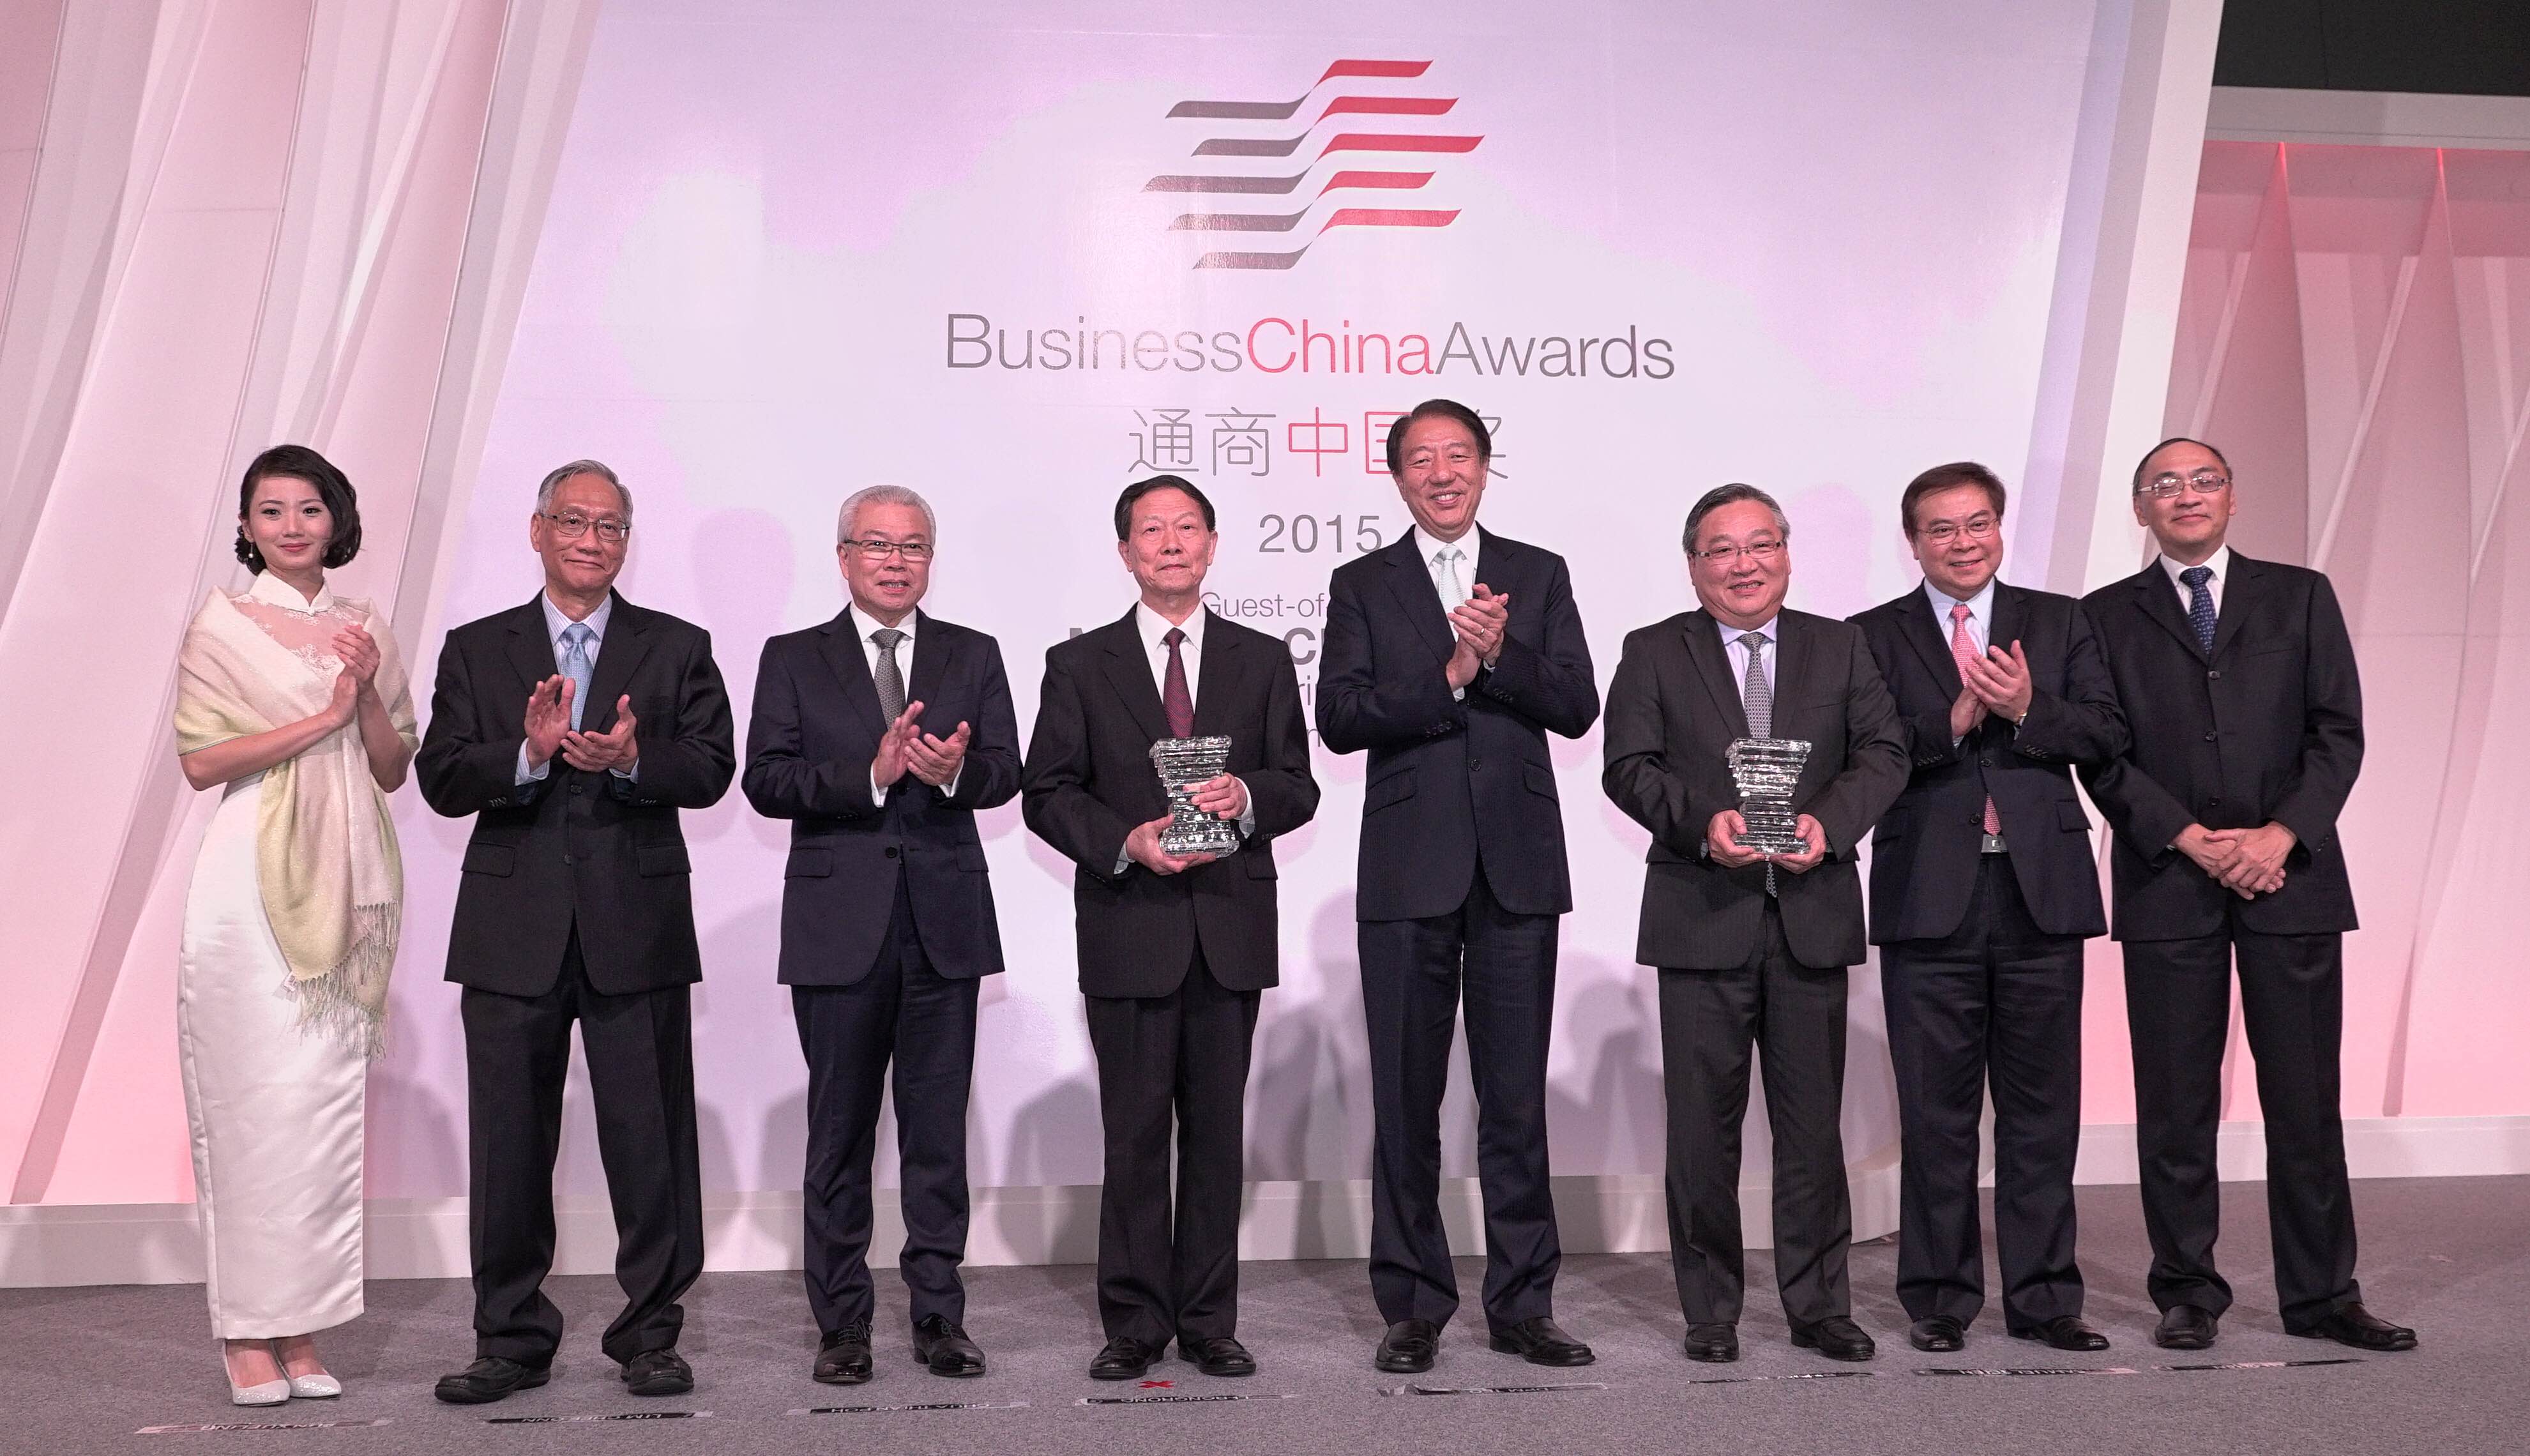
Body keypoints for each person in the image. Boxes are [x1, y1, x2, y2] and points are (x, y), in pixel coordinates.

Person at [2079, 438, 2414, 1354]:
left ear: (2231, 496)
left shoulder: (2299, 595)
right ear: (2139, 508)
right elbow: (2100, 754)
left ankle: (2323, 1295)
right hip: (2167, 880)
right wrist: (2189, 838)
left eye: (2204, 481)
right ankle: (2187, 1292)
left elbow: (2337, 732)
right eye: (2164, 485)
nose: (2185, 495)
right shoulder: (2101, 616)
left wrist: (2280, 835)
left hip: (2289, 879)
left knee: (2304, 1100)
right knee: (2174, 1103)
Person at [416, 459, 735, 1403]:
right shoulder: (478, 647)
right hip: (511, 929)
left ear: (626, 542)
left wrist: (634, 760)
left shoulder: (676, 645)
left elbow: (713, 768)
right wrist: (527, 752)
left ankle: (651, 1335)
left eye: (610, 527)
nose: (592, 540)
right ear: (537, 531)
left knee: (652, 1141)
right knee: (508, 1143)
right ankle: (510, 1338)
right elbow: (441, 778)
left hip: (636, 923)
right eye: (573, 521)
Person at [1318, 399, 1600, 1375]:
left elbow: (1576, 705)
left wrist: (1502, 657)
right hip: (1408, 867)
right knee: (1407, 1101)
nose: (1441, 473)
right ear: (1397, 476)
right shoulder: (1361, 582)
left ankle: (1523, 1305)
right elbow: (1340, 717)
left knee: (1514, 1100)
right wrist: (1448, 672)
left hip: (1517, 863)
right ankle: (1411, 1306)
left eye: (1458, 456)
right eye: (1421, 460)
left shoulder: (1537, 571)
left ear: (1485, 466)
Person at [1020, 474, 1318, 1381]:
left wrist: (1247, 798)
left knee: (1217, 1139)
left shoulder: (1261, 659)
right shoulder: (1079, 664)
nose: (1172, 542)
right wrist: (1126, 842)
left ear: (1213, 545)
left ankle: (1210, 1320)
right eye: (1152, 530)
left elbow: (1298, 784)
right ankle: (1135, 1322)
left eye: (1188, 527)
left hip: (1229, 928)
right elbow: (1046, 793)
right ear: (1126, 552)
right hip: (1129, 927)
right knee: (1136, 1135)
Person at [1600, 483, 1905, 1364]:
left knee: (1812, 1129)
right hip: (1701, 914)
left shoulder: (1840, 646)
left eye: (1761, 544)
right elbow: (1628, 765)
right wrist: (1704, 826)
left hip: (1811, 913)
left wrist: (1828, 826)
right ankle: (1710, 1311)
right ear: (1694, 565)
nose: (1745, 565)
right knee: (1702, 1131)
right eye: (1722, 550)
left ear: (1786, 553)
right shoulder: (1654, 650)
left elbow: (1884, 752)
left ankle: (1819, 1307)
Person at [743, 485, 1020, 1384]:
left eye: (913, 546)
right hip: (838, 929)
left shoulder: (972, 652)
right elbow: (766, 780)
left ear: (930, 559)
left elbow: (1007, 771)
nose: (896, 561)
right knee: (840, 1136)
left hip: (944, 927)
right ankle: (843, 1324)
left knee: (936, 1137)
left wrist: (951, 774)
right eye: (877, 544)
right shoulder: (794, 656)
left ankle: (940, 1315)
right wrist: (869, 772)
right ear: (844, 557)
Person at [1847, 463, 2127, 1353]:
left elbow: (2106, 732)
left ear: (2000, 529)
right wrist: (1955, 721)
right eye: (1940, 529)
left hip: (2040, 894)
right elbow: (1867, 751)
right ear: (1913, 542)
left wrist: (2028, 707)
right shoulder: (1870, 635)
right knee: (1936, 1114)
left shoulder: (2059, 620)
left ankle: (2045, 1300)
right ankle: (1938, 1298)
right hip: (1929, 897)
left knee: (2042, 1111)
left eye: (1976, 524)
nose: (1962, 542)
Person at [173, 444, 417, 1405]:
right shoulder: (221, 624)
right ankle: (244, 1333)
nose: (290, 527)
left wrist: (363, 697)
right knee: (249, 1104)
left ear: (336, 519)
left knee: (317, 1112)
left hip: (346, 878)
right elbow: (202, 763)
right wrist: (324, 715)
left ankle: (301, 1330)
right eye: (270, 511)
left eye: (308, 509)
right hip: (249, 885)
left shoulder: (363, 623)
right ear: (245, 527)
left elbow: (392, 766)